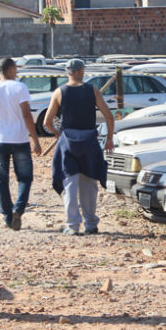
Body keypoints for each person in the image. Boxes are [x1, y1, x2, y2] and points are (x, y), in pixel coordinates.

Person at [44, 58, 114, 235]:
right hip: (89, 140)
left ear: (68, 72)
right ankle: (91, 224)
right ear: (82, 71)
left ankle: (73, 225)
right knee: (89, 183)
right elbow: (109, 116)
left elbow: (47, 121)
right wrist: (109, 139)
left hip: (68, 142)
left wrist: (57, 133)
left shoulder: (59, 92)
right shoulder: (92, 90)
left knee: (69, 183)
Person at [0, 57, 42, 230]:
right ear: (11, 69)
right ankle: (18, 209)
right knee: (25, 178)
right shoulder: (20, 87)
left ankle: (8, 218)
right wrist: (35, 139)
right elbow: (27, 115)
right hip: (20, 139)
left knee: (1, 180)